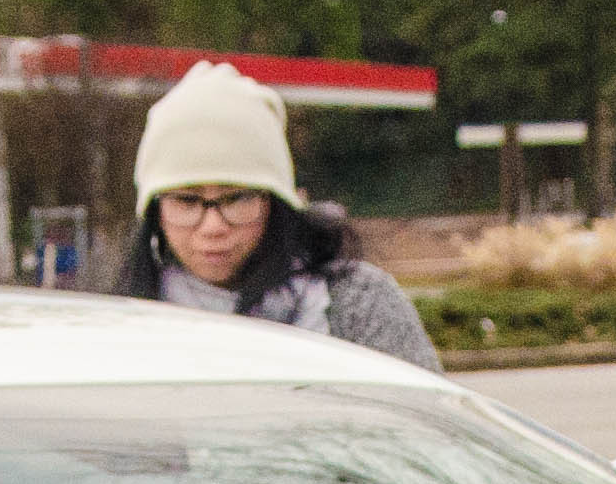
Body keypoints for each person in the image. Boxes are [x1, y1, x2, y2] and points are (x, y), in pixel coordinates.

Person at [104, 63, 437, 367]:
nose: (213, 226)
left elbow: (428, 425)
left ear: (275, 202)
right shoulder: (112, 321)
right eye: (187, 202)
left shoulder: (358, 303)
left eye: (236, 199)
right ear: (155, 211)